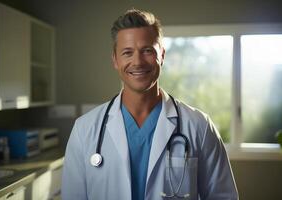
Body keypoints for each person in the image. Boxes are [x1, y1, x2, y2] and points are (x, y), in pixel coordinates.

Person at [62, 9, 239, 200]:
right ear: (115, 59)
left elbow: (223, 197)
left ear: (161, 55)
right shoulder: (85, 129)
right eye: (127, 52)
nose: (137, 62)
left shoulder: (199, 126)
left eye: (147, 51)